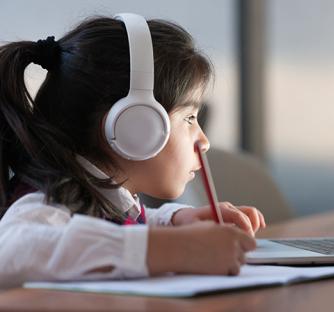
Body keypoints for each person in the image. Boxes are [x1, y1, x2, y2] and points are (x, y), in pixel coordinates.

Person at [0, 15, 266, 288]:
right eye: (189, 118)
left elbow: (106, 225)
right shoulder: (54, 195)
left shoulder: (96, 194)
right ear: (134, 126)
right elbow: (12, 249)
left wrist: (172, 222)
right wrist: (176, 248)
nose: (204, 140)